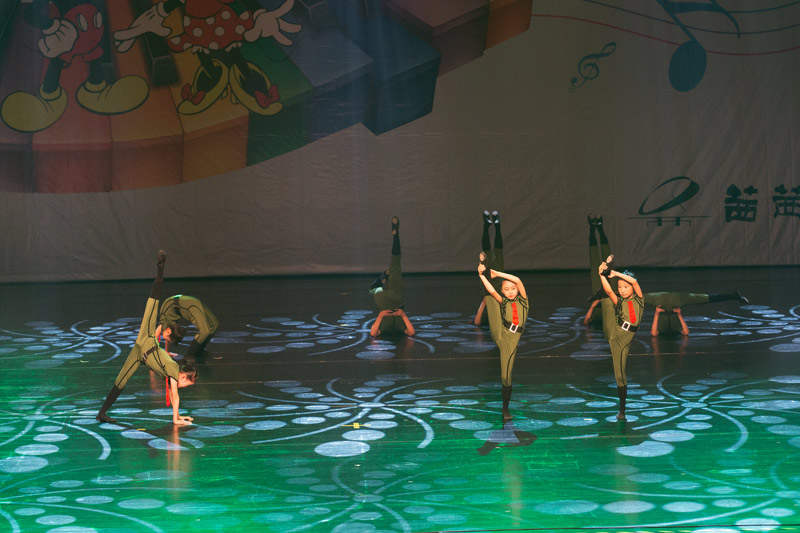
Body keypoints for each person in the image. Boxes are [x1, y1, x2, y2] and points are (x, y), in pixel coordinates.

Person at [583, 215, 749, 336]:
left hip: (661, 299)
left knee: (613, 281)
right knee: (706, 298)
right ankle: (597, 228)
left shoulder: (654, 301)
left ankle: (597, 228)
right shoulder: (669, 302)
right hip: (670, 299)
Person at [96, 250, 197, 426]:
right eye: (187, 384)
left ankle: (101, 413)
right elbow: (175, 395)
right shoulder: (174, 371)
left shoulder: (173, 371)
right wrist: (176, 419)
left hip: (139, 354)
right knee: (153, 301)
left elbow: (174, 394)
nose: (185, 387)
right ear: (183, 377)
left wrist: (179, 416)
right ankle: (160, 269)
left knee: (121, 381)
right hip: (147, 339)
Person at [478, 258, 528, 422]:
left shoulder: (523, 301)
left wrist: (497, 274)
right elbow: (493, 292)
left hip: (511, 338)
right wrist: (482, 276)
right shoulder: (504, 301)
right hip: (501, 332)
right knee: (491, 299)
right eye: (506, 289)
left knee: (506, 377)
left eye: (513, 289)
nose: (511, 291)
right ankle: (505, 409)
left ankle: (505, 406)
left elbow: (518, 280)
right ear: (503, 291)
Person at [599, 257, 643, 421]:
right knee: (620, 374)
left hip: (626, 336)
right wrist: (601, 275)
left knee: (621, 374)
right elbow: (609, 292)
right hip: (617, 336)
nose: (622, 290)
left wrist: (615, 273)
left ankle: (622, 410)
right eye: (620, 287)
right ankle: (622, 410)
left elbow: (634, 282)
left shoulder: (639, 298)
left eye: (625, 286)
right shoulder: (620, 301)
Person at [369, 217, 415, 337]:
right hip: (393, 299)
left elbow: (373, 333)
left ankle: (382, 278)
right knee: (395, 263)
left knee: (395, 261)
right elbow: (411, 332)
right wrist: (402, 314)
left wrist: (381, 315)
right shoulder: (400, 329)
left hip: (388, 302)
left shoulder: (386, 329)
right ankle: (382, 278)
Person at [159, 295, 219, 360]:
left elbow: (156, 336)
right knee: (210, 328)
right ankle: (195, 353)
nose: (166, 340)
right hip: (189, 302)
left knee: (212, 326)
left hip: (189, 304)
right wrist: (167, 351)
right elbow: (168, 337)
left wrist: (165, 351)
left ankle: (192, 354)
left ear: (168, 332)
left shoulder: (164, 320)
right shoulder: (168, 328)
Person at [473, 210, 503, 326]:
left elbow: (477, 322)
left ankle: (487, 226)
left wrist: (484, 303)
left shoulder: (488, 314)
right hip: (497, 284)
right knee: (498, 252)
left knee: (488, 252)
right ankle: (496, 226)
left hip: (488, 287)